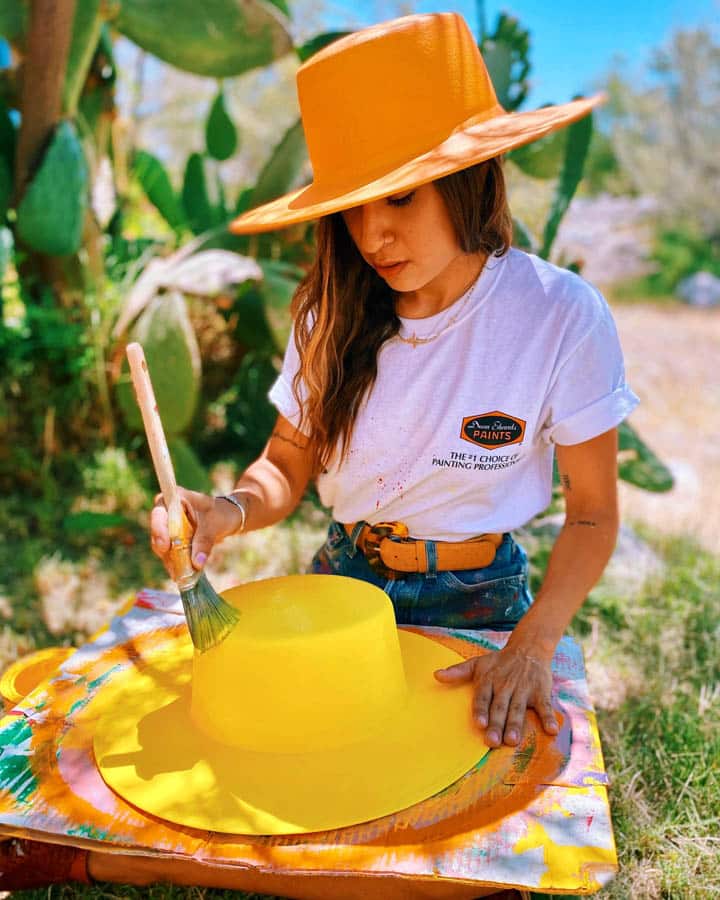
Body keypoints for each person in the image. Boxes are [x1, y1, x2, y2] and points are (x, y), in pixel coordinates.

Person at [0, 11, 637, 895]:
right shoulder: (327, 314)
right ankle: (86, 851)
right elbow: (285, 468)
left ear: (469, 174)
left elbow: (596, 513)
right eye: (353, 207)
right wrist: (223, 510)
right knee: (285, 796)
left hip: (479, 599)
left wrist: (531, 644)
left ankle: (102, 860)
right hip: (338, 590)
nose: (372, 235)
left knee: (491, 862)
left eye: (400, 195)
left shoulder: (559, 316)